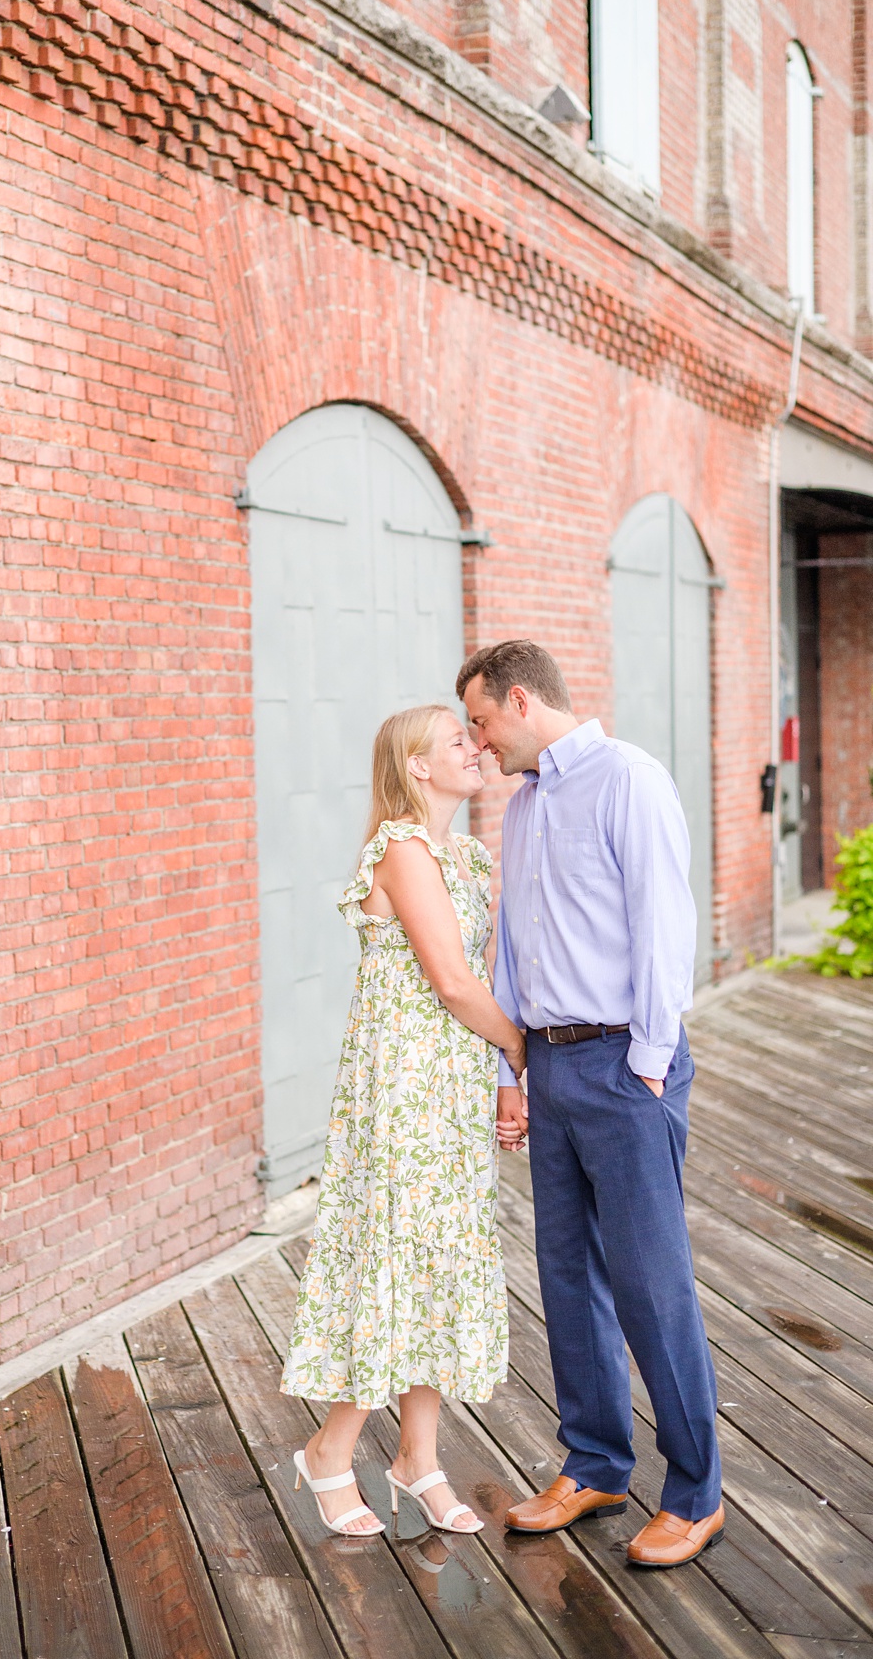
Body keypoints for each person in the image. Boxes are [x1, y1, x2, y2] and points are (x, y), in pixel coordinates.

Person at [457, 639, 725, 1569]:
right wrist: (513, 1073)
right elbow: (517, 948)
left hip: (624, 1068)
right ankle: (598, 1465)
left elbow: (664, 924)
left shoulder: (630, 781)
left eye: (483, 722)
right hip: (553, 1070)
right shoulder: (524, 805)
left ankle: (695, 1493)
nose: (479, 744)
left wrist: (648, 1065)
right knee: (568, 1278)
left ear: (521, 702)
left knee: (652, 1286)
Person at [281, 704, 527, 1539]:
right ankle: (329, 1449)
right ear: (417, 768)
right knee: (396, 1255)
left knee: (443, 1258)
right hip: (404, 1087)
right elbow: (454, 982)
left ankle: (418, 1457)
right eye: (457, 741)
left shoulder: (465, 853)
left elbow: (486, 976)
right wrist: (528, 1052)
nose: (475, 747)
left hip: (455, 1081)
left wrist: (496, 1076)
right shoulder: (403, 848)